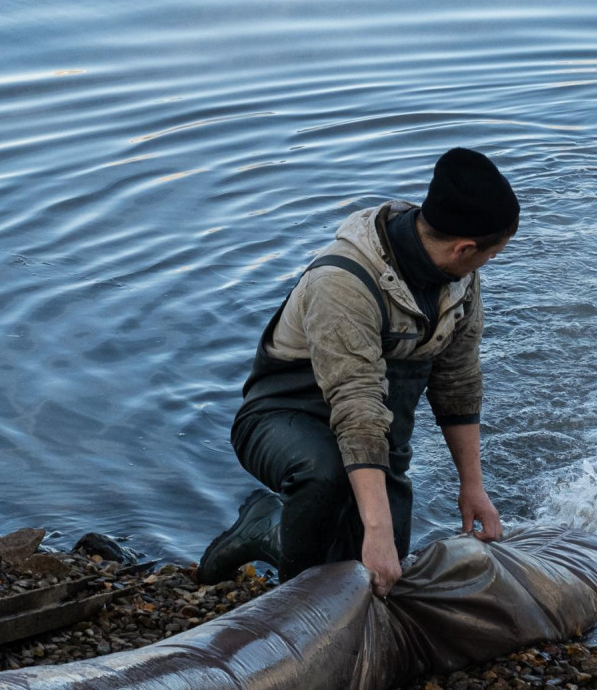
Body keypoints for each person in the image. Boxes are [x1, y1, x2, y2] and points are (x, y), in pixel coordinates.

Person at [199, 148, 518, 595]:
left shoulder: (460, 277)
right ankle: (264, 528)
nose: (489, 263)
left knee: (378, 581)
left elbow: (458, 380)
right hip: (283, 418)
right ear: (465, 247)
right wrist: (377, 530)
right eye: (492, 254)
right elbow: (357, 408)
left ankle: (319, 538)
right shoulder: (344, 281)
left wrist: (473, 487)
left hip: (379, 437)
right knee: (324, 501)